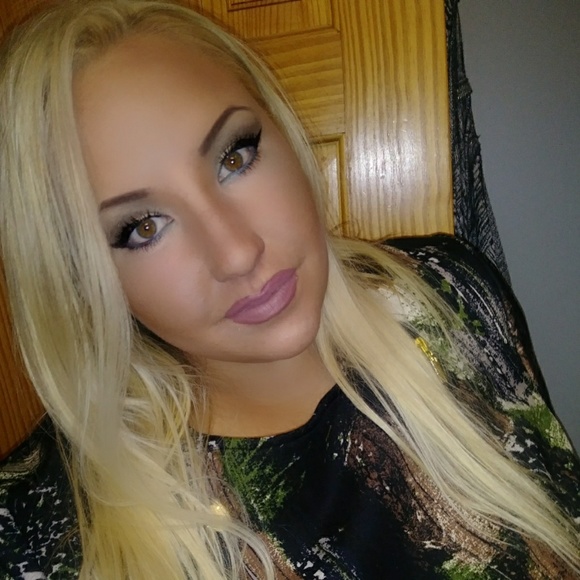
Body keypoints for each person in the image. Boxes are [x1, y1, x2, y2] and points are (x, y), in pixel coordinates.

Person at [0, 1, 578, 578]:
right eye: (143, 227)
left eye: (234, 156)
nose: (237, 252)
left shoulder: (447, 290)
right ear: (78, 276)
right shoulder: (35, 534)